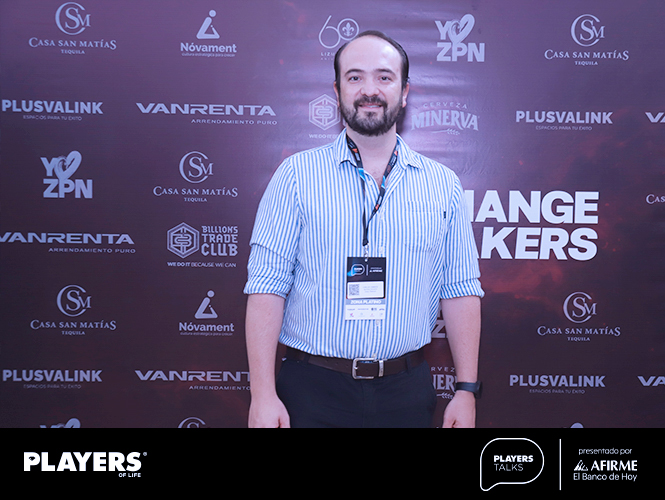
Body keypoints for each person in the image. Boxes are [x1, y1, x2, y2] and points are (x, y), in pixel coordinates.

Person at [244, 30, 483, 428]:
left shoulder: (443, 184)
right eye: (355, 77)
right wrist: (263, 395)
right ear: (337, 90)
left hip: (406, 393)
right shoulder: (296, 176)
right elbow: (266, 288)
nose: (369, 90)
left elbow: (460, 289)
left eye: (384, 77)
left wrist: (466, 389)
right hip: (311, 391)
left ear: (404, 92)